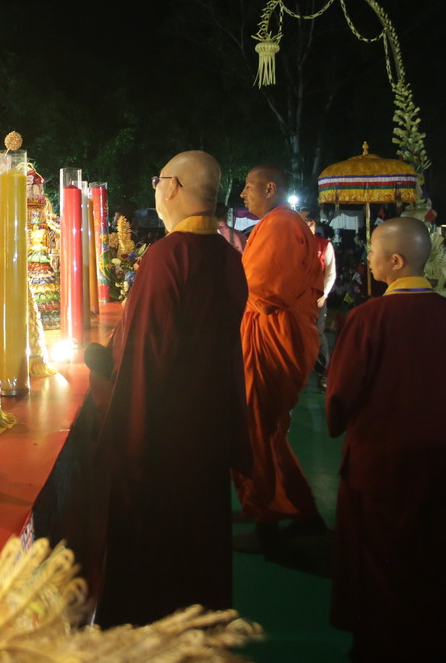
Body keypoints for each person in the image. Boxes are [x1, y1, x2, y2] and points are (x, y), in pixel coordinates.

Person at [86, 150, 249, 625]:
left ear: (173, 187)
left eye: (158, 181)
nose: (156, 190)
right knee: (199, 551)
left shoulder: (167, 257)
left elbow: (144, 359)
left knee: (154, 561)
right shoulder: (227, 256)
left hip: (161, 442)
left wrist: (122, 431)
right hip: (207, 432)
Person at [327, 216, 446, 662]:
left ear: (395, 261)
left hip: (382, 466)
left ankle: (382, 646)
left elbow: (340, 394)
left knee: (381, 564)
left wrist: (341, 420)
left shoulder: (368, 317)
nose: (368, 258)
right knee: (436, 561)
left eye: (373, 251)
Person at [231, 164, 325, 552]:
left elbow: (264, 291)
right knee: (263, 429)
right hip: (268, 334)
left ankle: (268, 521)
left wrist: (219, 291)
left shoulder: (282, 225)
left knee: (260, 429)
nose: (242, 194)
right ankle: (298, 512)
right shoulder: (275, 223)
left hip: (275, 336)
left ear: (270, 188)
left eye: (248, 187)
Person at [300, 211, 338, 383]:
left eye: (302, 220)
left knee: (317, 333)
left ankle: (324, 371)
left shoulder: (324, 245)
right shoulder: (294, 243)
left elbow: (330, 272)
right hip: (296, 297)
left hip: (317, 298)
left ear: (312, 223)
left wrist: (324, 294)